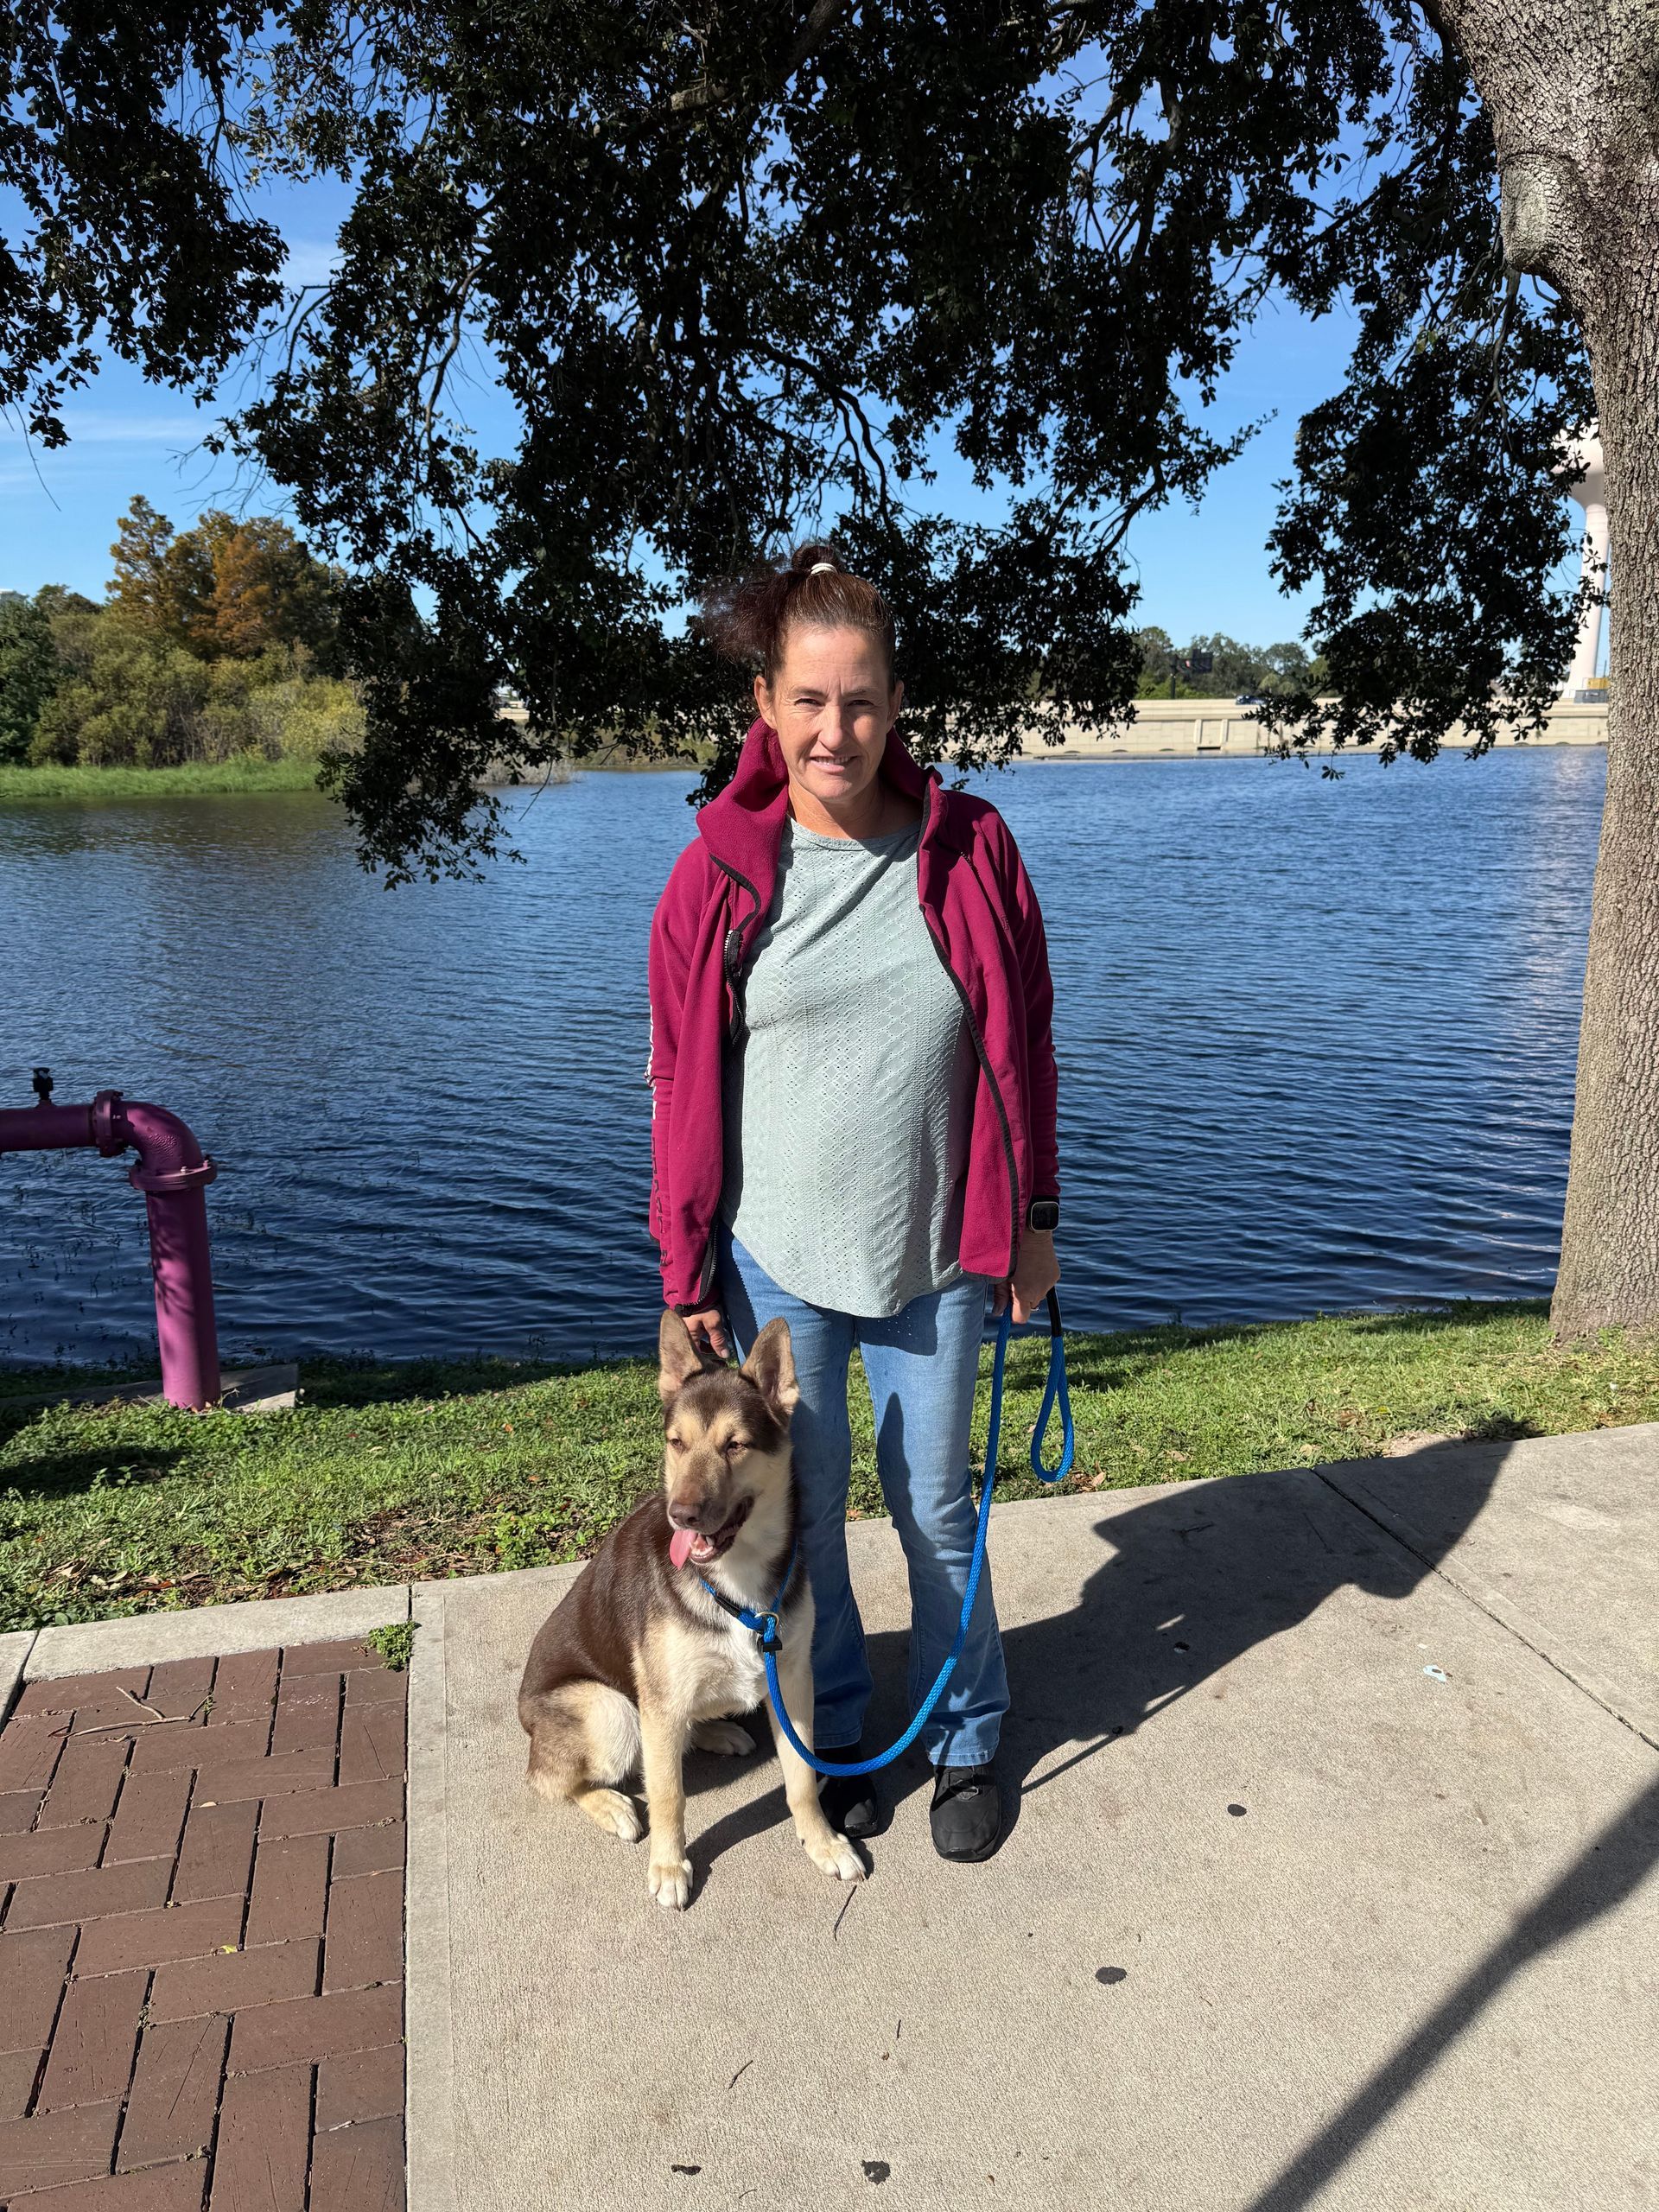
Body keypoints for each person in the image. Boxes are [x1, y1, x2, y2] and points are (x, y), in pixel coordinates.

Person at [645, 541, 1062, 1861]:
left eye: (863, 699)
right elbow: (674, 1080)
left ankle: (969, 1736)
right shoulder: (716, 876)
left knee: (939, 1508)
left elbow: (1028, 1046)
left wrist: (1036, 1220)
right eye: (811, 701)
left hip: (939, 1251)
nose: (839, 730)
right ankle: (832, 1741)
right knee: (806, 1514)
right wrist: (682, 1272)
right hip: (781, 1269)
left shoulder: (971, 849)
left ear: (897, 701)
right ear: (765, 706)